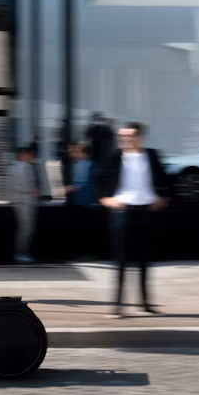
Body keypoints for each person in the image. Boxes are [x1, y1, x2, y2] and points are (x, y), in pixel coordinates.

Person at [96, 122, 172, 318]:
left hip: (146, 212)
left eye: (129, 136)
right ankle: (118, 306)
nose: (125, 140)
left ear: (139, 137)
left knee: (145, 260)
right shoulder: (115, 156)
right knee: (120, 261)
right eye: (122, 136)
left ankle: (145, 304)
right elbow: (99, 178)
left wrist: (163, 198)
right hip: (123, 211)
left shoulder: (152, 155)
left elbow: (164, 179)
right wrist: (106, 199)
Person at [66, 141, 103, 260]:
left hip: (88, 203)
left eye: (79, 150)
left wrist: (70, 188)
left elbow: (84, 183)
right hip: (81, 202)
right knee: (83, 231)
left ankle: (89, 254)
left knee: (88, 231)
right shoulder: (81, 164)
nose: (76, 152)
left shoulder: (90, 164)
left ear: (85, 153)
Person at [10, 145, 40, 263]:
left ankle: (22, 252)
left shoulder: (23, 166)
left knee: (27, 229)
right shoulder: (20, 167)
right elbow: (17, 186)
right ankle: (21, 253)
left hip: (26, 202)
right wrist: (32, 191)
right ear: (24, 154)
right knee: (26, 229)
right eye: (30, 155)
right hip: (24, 203)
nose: (31, 157)